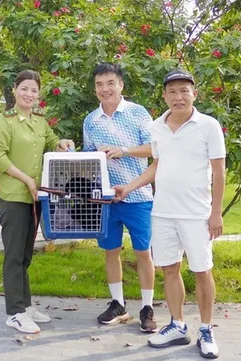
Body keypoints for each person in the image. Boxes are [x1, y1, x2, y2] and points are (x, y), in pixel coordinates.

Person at [113, 69, 226, 359]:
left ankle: (206, 329)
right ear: (164, 96)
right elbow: (156, 165)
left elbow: (219, 172)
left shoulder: (208, 126)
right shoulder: (157, 127)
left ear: (194, 94)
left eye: (184, 90)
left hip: (196, 214)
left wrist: (216, 213)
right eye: (172, 91)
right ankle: (177, 325)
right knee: (170, 268)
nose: (179, 96)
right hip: (162, 212)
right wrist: (129, 187)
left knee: (202, 270)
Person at [0, 70, 75, 334]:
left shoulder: (39, 122)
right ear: (15, 90)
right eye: (24, 89)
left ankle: (25, 306)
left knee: (25, 255)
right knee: (14, 255)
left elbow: (50, 143)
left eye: (34, 90)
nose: (29, 94)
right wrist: (26, 179)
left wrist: (62, 142)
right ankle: (14, 313)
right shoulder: (4, 121)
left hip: (36, 199)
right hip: (15, 197)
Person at [82, 63, 157, 333]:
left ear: (121, 85)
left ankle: (147, 307)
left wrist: (123, 150)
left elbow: (153, 149)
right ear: (95, 89)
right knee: (110, 251)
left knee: (142, 252)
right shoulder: (90, 120)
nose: (105, 89)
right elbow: (88, 160)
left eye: (110, 83)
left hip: (138, 195)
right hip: (106, 200)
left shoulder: (137, 113)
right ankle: (118, 304)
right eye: (100, 84)